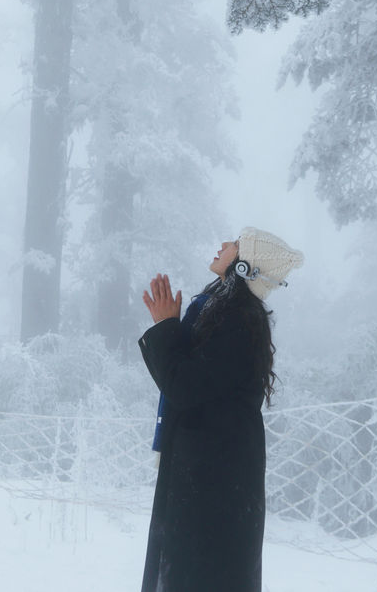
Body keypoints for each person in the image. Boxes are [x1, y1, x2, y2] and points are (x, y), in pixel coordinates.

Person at [138, 226, 303, 592]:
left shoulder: (238, 319)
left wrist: (167, 328)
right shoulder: (224, 312)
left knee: (200, 576)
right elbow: (199, 380)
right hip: (211, 477)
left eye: (236, 244)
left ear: (246, 266)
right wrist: (173, 330)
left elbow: (184, 386)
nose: (224, 245)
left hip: (214, 483)